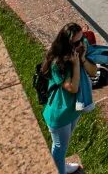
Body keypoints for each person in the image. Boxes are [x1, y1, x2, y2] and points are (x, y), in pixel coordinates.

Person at [35, 23, 89, 174]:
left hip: (72, 109)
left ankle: (61, 165)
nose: (81, 44)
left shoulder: (76, 53)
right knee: (59, 146)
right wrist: (77, 65)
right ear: (67, 43)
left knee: (64, 143)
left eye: (82, 39)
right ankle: (59, 170)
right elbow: (73, 87)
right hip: (59, 113)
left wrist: (82, 58)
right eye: (77, 42)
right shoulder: (56, 63)